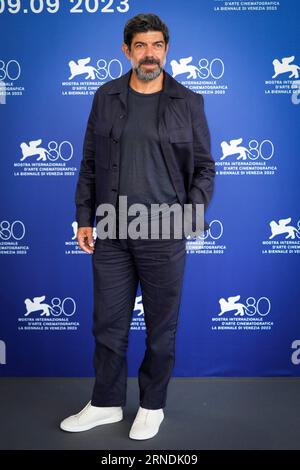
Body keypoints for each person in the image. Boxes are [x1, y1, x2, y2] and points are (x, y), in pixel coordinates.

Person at [60, 13, 215, 440]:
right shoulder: (105, 96)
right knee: (108, 325)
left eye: (158, 45)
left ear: (167, 49)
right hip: (111, 228)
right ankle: (107, 403)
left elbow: (204, 168)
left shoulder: (189, 101)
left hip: (164, 231)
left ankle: (151, 405)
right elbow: (89, 164)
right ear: (126, 50)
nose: (150, 54)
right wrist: (83, 218)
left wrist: (189, 215)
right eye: (141, 46)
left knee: (161, 329)